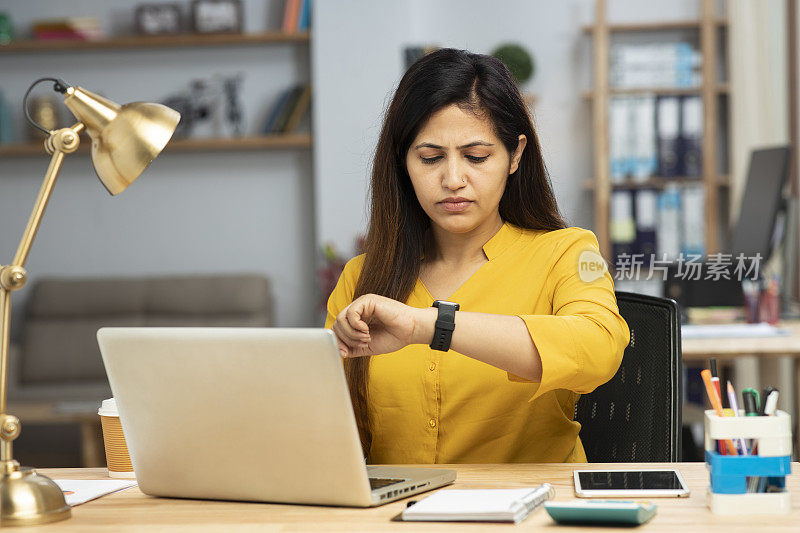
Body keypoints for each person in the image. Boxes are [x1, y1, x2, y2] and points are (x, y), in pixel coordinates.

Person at [325, 48, 629, 464]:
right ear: (402, 162)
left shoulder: (568, 251)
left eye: (476, 157)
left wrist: (428, 325)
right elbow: (333, 433)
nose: (452, 179)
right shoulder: (362, 277)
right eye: (430, 158)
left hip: (533, 516)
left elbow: (599, 350)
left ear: (515, 155)